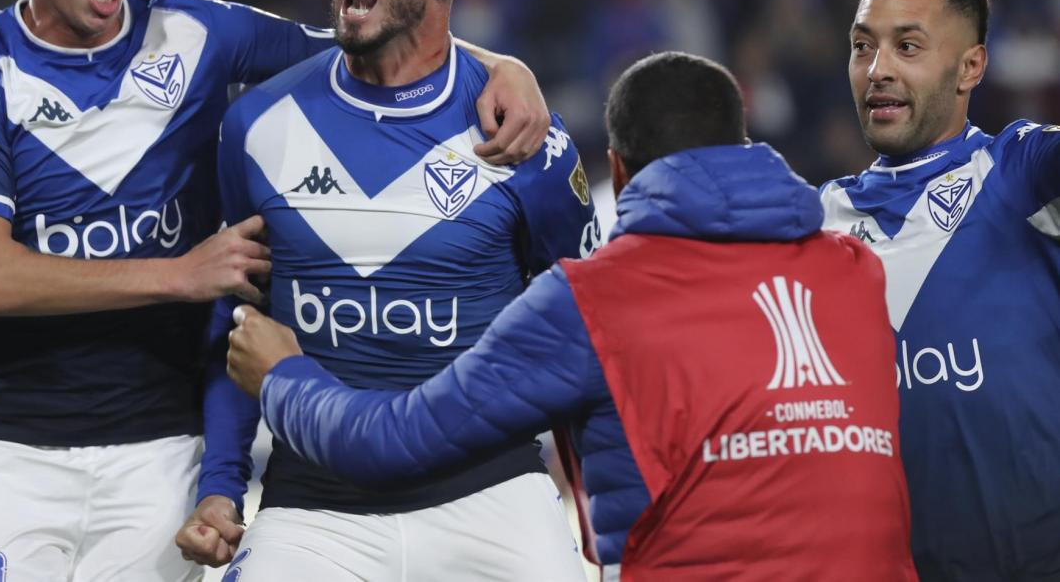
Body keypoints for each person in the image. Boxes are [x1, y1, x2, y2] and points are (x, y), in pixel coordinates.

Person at [0, 0, 551, 582]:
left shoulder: (199, 33)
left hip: (159, 442)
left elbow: (374, 40)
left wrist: (505, 65)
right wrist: (181, 274)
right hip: (5, 441)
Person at [218, 51, 918, 581]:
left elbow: (396, 441)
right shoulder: (855, 271)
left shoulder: (600, 297)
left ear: (616, 163)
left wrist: (284, 377)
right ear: (746, 139)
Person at [174, 0, 599, 581]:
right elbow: (236, 325)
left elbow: (595, 333)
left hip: (491, 493)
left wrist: (605, 516)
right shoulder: (256, 124)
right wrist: (220, 485)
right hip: (313, 509)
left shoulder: (522, 133)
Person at [821, 0, 1060, 580]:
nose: (877, 69)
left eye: (907, 47)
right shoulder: (813, 221)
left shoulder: (1018, 172)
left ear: (970, 67)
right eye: (861, 46)